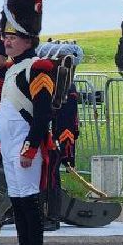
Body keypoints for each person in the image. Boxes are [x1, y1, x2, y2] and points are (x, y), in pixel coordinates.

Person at [0, 0, 58, 245]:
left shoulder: (38, 69)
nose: (7, 40)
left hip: (25, 146)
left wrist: (32, 145)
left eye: (14, 36)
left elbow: (42, 113)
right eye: (6, 35)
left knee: (30, 203)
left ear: (29, 39)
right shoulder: (12, 69)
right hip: (10, 145)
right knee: (18, 203)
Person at [36, 41, 83, 232]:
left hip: (55, 139)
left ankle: (53, 216)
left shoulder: (68, 89)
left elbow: (67, 124)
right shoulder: (50, 84)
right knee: (42, 177)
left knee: (52, 176)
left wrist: (63, 146)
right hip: (43, 136)